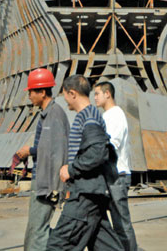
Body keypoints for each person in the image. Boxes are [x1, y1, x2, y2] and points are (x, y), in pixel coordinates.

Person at [47, 75, 122, 251]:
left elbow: (98, 152)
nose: (65, 100)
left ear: (72, 93)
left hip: (85, 194)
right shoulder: (90, 115)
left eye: (65, 95)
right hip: (92, 194)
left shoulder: (89, 118)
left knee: (58, 245)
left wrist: (71, 169)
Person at [16, 68, 70, 251]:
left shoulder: (55, 115)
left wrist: (55, 188)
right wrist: (31, 151)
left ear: (43, 92)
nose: (29, 95)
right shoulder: (46, 115)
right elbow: (46, 149)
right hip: (41, 181)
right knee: (36, 229)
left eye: (32, 91)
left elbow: (58, 152)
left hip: (47, 183)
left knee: (38, 231)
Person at [94, 81, 137, 251]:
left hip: (117, 176)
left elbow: (112, 144)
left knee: (121, 224)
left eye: (97, 93)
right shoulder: (105, 116)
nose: (95, 97)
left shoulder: (116, 114)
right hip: (108, 176)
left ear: (107, 94)